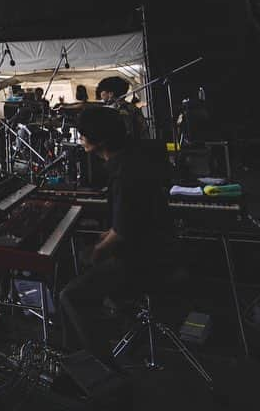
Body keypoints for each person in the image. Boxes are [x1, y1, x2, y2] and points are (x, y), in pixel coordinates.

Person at [58, 106, 173, 364]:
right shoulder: (133, 160)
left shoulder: (124, 173)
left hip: (142, 261)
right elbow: (129, 220)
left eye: (83, 134)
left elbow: (122, 232)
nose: (80, 138)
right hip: (154, 249)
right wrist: (105, 238)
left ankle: (103, 370)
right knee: (77, 275)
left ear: (100, 140)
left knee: (70, 295)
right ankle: (77, 359)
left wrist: (96, 251)